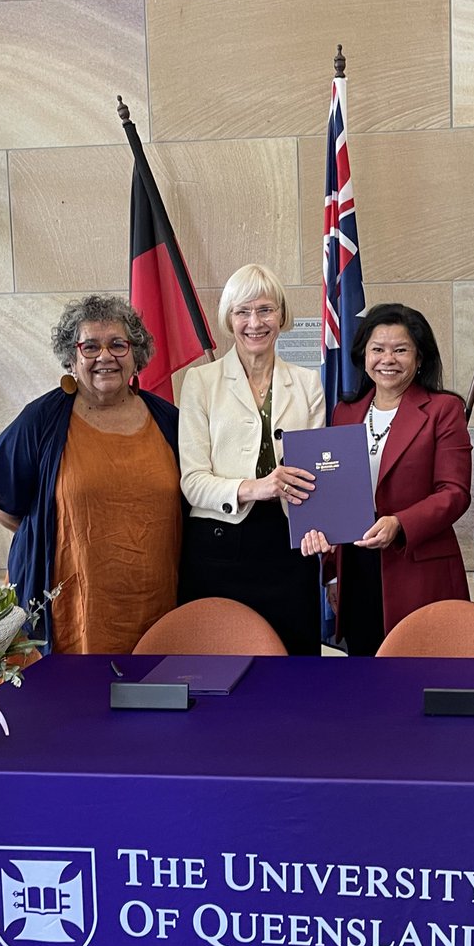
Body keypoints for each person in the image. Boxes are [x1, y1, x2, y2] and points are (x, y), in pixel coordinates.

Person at [0, 294, 182, 655]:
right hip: (70, 614)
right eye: (90, 346)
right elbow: (4, 507)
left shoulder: (170, 421)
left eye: (118, 344)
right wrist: (53, 532)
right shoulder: (40, 421)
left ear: (136, 356)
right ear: (72, 360)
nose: (105, 356)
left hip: (157, 608)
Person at [301, 303, 472, 655]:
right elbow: (335, 497)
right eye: (377, 349)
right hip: (358, 568)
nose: (387, 359)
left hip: (417, 566)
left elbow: (454, 492)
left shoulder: (444, 409)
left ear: (420, 357)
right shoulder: (345, 412)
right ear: (363, 356)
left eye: (400, 350)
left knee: (423, 673)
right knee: (367, 679)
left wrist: (400, 523)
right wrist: (333, 573)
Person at [178, 263, 325, 654]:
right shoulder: (200, 382)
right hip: (219, 548)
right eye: (242, 311)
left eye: (265, 310)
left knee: (293, 667)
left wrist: (321, 524)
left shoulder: (308, 383)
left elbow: (317, 476)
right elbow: (192, 482)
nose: (254, 322)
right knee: (217, 665)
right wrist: (253, 488)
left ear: (281, 315)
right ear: (229, 318)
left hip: (289, 547)